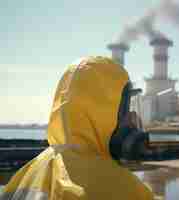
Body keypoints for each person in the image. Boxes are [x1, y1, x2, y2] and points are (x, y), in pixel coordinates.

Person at [1, 56, 154, 200]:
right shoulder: (127, 190)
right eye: (126, 109)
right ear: (103, 112)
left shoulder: (26, 173)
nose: (132, 119)